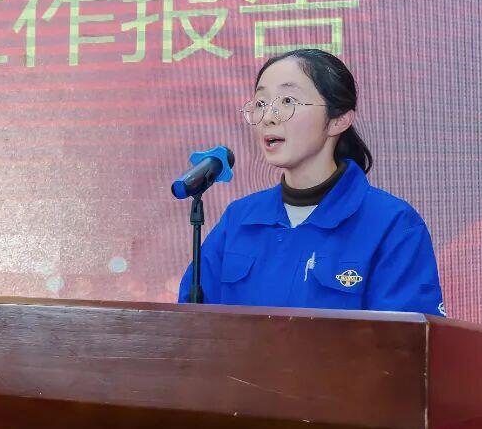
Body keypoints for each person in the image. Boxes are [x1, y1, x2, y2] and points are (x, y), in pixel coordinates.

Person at [177, 49, 445, 316]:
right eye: (260, 103)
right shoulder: (239, 220)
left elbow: (406, 338)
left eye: (287, 101)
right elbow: (189, 328)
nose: (268, 117)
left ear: (339, 119)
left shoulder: (392, 224)